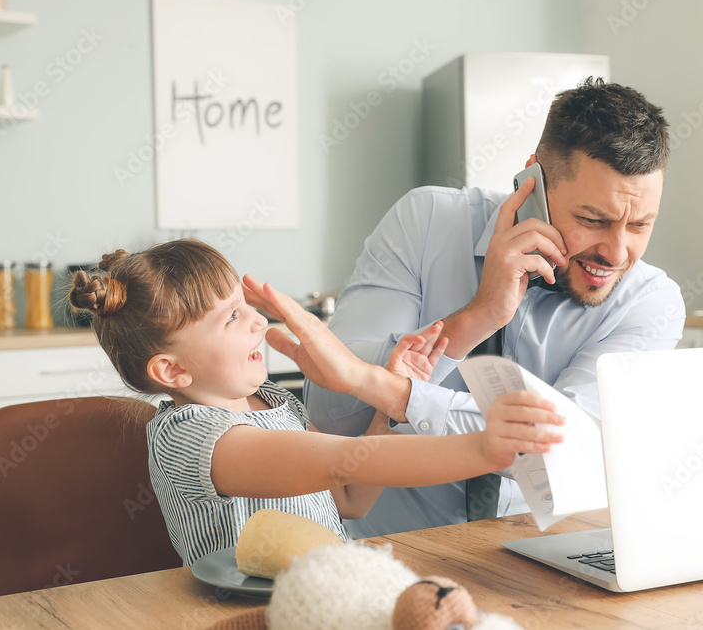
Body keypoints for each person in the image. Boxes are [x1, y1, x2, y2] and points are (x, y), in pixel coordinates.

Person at [304, 77, 686, 537]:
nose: (617, 253)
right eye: (592, 220)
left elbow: (561, 455)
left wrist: (400, 395)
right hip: (386, 554)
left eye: (640, 225)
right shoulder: (425, 222)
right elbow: (330, 411)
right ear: (533, 183)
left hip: (535, 563)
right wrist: (477, 317)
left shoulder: (648, 303)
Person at [68, 239, 564, 566]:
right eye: (230, 319)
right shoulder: (191, 437)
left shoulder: (272, 402)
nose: (258, 322)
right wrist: (481, 448)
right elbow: (335, 464)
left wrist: (388, 402)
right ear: (172, 371)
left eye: (247, 308)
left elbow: (348, 499)